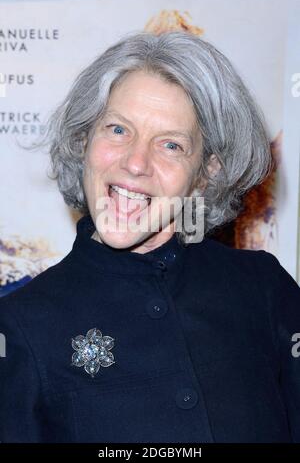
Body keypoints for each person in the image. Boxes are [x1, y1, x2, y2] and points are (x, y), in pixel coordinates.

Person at [0, 30, 299, 443]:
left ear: (205, 173)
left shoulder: (264, 289)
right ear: (84, 140)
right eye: (118, 130)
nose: (136, 163)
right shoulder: (19, 325)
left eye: (171, 145)